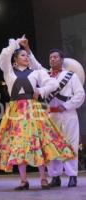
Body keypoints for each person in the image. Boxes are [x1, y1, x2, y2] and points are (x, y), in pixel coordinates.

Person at [0, 37, 75, 190]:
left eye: (27, 55)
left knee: (37, 142)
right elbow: (4, 56)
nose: (26, 57)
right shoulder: (9, 72)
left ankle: (43, 179)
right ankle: (23, 181)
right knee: (18, 145)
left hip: (33, 110)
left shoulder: (36, 73)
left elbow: (54, 83)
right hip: (15, 111)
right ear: (16, 59)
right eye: (23, 55)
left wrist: (42, 90)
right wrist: (15, 44)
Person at [21, 38, 85, 187]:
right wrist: (27, 48)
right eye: (50, 57)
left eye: (55, 57)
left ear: (62, 60)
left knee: (70, 143)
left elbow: (80, 95)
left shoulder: (71, 76)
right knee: (51, 144)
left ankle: (72, 175)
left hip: (68, 115)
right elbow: (34, 64)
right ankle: (55, 176)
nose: (52, 59)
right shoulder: (45, 75)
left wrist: (67, 105)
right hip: (50, 116)